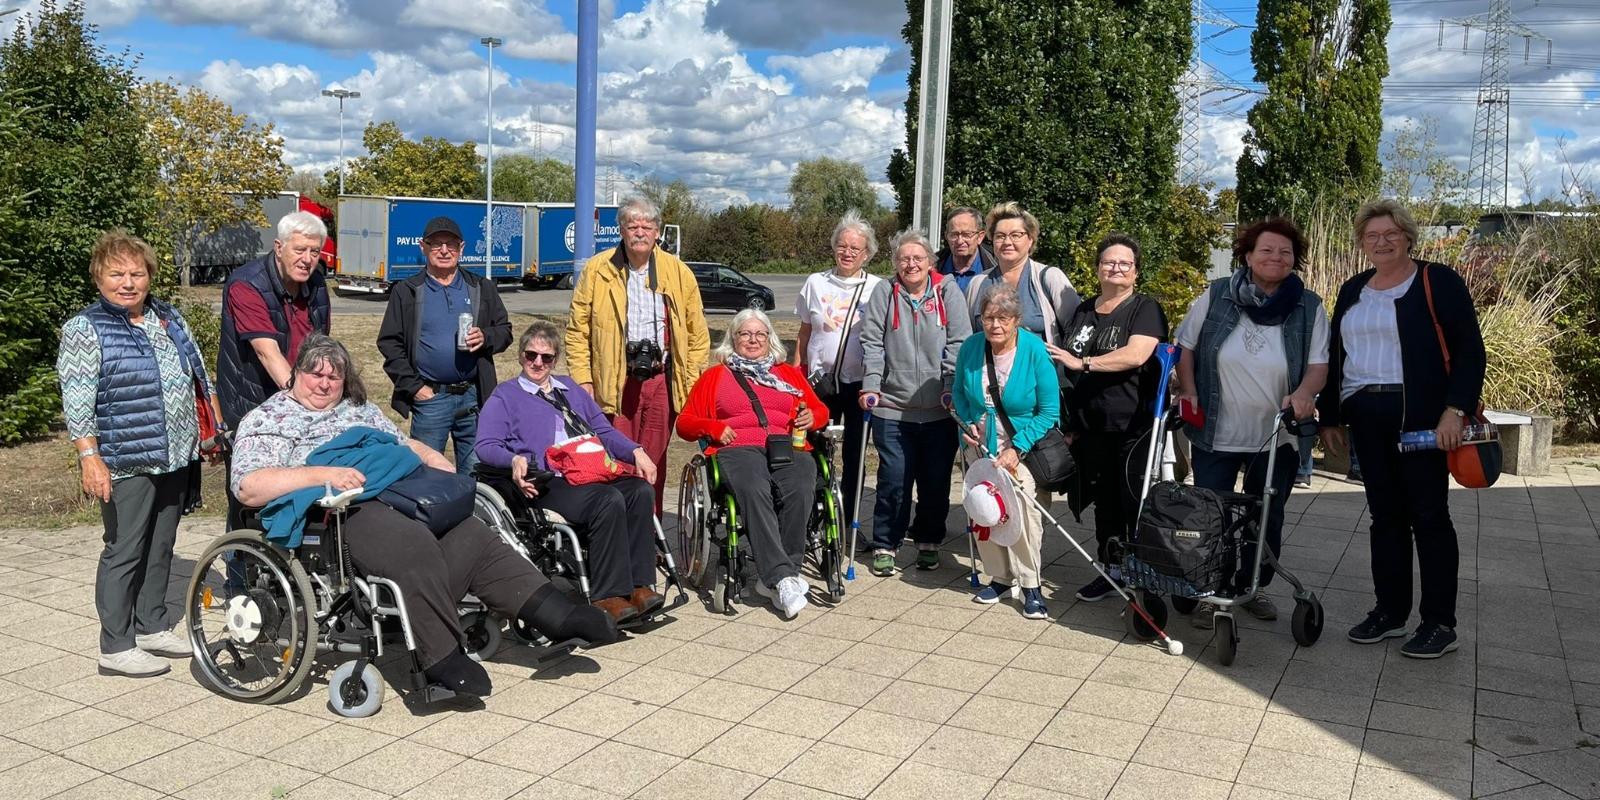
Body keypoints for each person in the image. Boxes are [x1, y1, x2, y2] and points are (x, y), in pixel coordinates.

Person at [232, 335, 617, 698]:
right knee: (412, 544)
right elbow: (248, 486)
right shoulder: (271, 418)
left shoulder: (358, 410)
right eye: (315, 373)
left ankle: (557, 615)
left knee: (473, 534)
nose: (324, 383)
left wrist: (432, 458)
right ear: (295, 373)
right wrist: (322, 475)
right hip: (345, 509)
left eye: (334, 376)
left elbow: (399, 443)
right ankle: (441, 657)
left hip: (404, 491)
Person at [1318, 199, 1484, 659]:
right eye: (1372, 236)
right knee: (1384, 517)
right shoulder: (1354, 289)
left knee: (1429, 517)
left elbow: (1470, 351)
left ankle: (1439, 623)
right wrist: (1330, 414)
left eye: (1391, 233)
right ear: (1362, 243)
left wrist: (1455, 410)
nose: (1382, 242)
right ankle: (1390, 612)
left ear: (1408, 236)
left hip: (1422, 419)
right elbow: (1337, 355)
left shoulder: (1437, 281)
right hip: (1367, 414)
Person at [57, 231, 219, 677]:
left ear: (149, 276)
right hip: (125, 457)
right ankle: (115, 644)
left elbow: (197, 375)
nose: (128, 282)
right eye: (117, 274)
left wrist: (209, 433)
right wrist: (90, 457)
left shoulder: (166, 318)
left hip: (174, 453)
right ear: (98, 278)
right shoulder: (85, 329)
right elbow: (77, 398)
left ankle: (151, 626)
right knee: (125, 547)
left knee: (162, 543)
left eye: (136, 273)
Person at [1174, 218, 1329, 627]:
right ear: (1247, 254)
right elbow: (1185, 348)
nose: (1276, 258)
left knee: (1267, 515)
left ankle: (1251, 586)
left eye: (1285, 252)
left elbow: (1318, 365)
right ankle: (1211, 588)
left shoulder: (1308, 306)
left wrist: (1304, 394)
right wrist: (1188, 389)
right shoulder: (1216, 295)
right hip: (1216, 430)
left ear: (1295, 259)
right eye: (1267, 250)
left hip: (1275, 434)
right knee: (1212, 514)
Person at [475, 321, 665, 625]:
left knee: (639, 491)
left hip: (589, 471)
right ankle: (608, 594)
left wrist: (635, 451)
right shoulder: (505, 396)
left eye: (546, 357)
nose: (537, 362)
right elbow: (485, 445)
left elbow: (603, 430)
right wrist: (513, 460)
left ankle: (640, 585)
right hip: (549, 480)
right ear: (521, 356)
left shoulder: (570, 390)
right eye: (531, 355)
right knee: (608, 499)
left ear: (555, 360)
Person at [676, 310, 828, 620]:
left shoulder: (787, 373)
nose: (753, 339)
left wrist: (813, 417)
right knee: (754, 487)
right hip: (738, 447)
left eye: (760, 334)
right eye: (745, 334)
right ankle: (783, 579)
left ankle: (777, 576)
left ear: (770, 339)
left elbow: (820, 410)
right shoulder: (715, 376)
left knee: (800, 486)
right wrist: (713, 427)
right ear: (732, 339)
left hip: (788, 446)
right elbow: (685, 423)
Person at [568, 196, 710, 511]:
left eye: (647, 226)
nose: (640, 232)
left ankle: (651, 530)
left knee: (654, 460)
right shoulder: (597, 270)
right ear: (621, 230)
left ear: (658, 232)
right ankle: (619, 528)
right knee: (619, 458)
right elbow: (578, 331)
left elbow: (697, 332)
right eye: (633, 226)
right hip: (615, 381)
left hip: (662, 381)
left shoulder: (677, 271)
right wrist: (583, 379)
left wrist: (692, 379)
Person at [1057, 233, 1169, 602]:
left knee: (1133, 499)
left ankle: (1144, 572)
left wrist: (1085, 363)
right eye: (1109, 262)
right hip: (1091, 426)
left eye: (1125, 263)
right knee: (1103, 502)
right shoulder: (1085, 310)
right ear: (1097, 268)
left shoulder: (1144, 308)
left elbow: (1136, 355)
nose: (1116, 268)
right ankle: (1113, 569)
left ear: (1135, 272)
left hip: (1132, 425)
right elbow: (1066, 366)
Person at [858, 229, 971, 575]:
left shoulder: (948, 291)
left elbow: (959, 341)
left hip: (938, 408)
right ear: (895, 263)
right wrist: (871, 384)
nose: (911, 264)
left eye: (917, 258)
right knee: (894, 478)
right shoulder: (884, 292)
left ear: (930, 262)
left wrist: (950, 384)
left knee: (935, 481)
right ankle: (885, 543)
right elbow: (873, 342)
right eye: (904, 258)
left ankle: (928, 540)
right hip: (892, 406)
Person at [217, 210, 332, 530]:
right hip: (254, 405)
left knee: (303, 491)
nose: (307, 259)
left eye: (314, 252)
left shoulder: (317, 283)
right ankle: (240, 574)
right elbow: (268, 354)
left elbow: (323, 350)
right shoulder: (246, 284)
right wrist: (310, 402)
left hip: (302, 404)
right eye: (299, 250)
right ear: (279, 247)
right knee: (251, 500)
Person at [952, 286, 1060, 619]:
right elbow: (958, 392)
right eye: (988, 317)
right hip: (981, 447)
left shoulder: (1032, 350)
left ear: (1016, 320)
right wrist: (968, 422)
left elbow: (1049, 410)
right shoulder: (971, 347)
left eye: (1003, 318)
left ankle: (1030, 584)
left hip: (1022, 446)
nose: (995, 325)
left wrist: (1018, 447)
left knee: (1023, 510)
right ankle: (999, 577)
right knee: (983, 506)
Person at [377, 215, 512, 472]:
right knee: (427, 474)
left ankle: (473, 512)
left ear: (462, 248)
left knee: (476, 474)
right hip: (431, 399)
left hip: (473, 397)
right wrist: (416, 388)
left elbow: (504, 331)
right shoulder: (408, 290)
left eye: (450, 244)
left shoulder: (480, 287)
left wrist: (486, 337)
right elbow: (389, 343)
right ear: (423, 247)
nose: (443, 250)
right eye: (436, 244)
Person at [792, 210, 883, 533]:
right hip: (819, 384)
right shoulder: (815, 283)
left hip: (860, 385)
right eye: (841, 246)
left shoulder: (877, 288)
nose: (847, 253)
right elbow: (804, 332)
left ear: (867, 254)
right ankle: (812, 516)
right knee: (814, 450)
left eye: (854, 248)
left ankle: (845, 522)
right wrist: (795, 372)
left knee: (855, 456)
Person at [963, 202, 1080, 353]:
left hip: (1039, 373)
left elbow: (1076, 330)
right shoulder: (978, 283)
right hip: (989, 372)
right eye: (1000, 236)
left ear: (1030, 239)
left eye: (1016, 235)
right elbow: (968, 337)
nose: (1007, 242)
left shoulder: (1049, 278)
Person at [936, 206, 996, 292]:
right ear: (946, 236)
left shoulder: (995, 267)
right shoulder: (932, 267)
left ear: (980, 237)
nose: (960, 241)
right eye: (954, 234)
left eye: (966, 234)